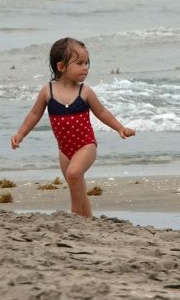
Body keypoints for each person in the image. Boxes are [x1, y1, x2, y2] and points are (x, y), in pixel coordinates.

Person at [11, 38, 135, 217]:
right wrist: (21, 133)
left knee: (74, 173)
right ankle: (87, 219)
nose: (85, 67)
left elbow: (102, 112)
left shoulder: (84, 92)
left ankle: (74, 216)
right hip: (64, 151)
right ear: (61, 67)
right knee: (76, 185)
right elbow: (34, 114)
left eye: (87, 63)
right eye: (80, 63)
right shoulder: (48, 91)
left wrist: (119, 128)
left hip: (86, 145)